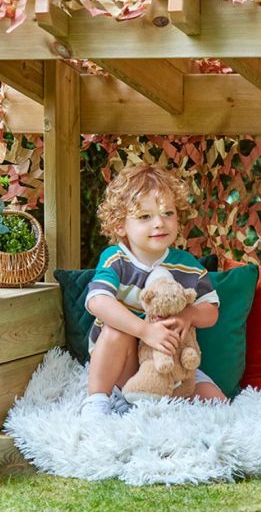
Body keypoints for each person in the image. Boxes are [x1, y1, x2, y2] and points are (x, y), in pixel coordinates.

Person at [81, 163, 225, 420]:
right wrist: (145, 331)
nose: (159, 223)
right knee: (115, 330)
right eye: (145, 217)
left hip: (173, 363)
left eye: (167, 213)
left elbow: (211, 311)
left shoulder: (187, 265)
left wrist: (190, 314)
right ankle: (98, 401)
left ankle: (167, 406)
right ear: (120, 225)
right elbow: (97, 301)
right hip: (124, 364)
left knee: (218, 404)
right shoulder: (117, 259)